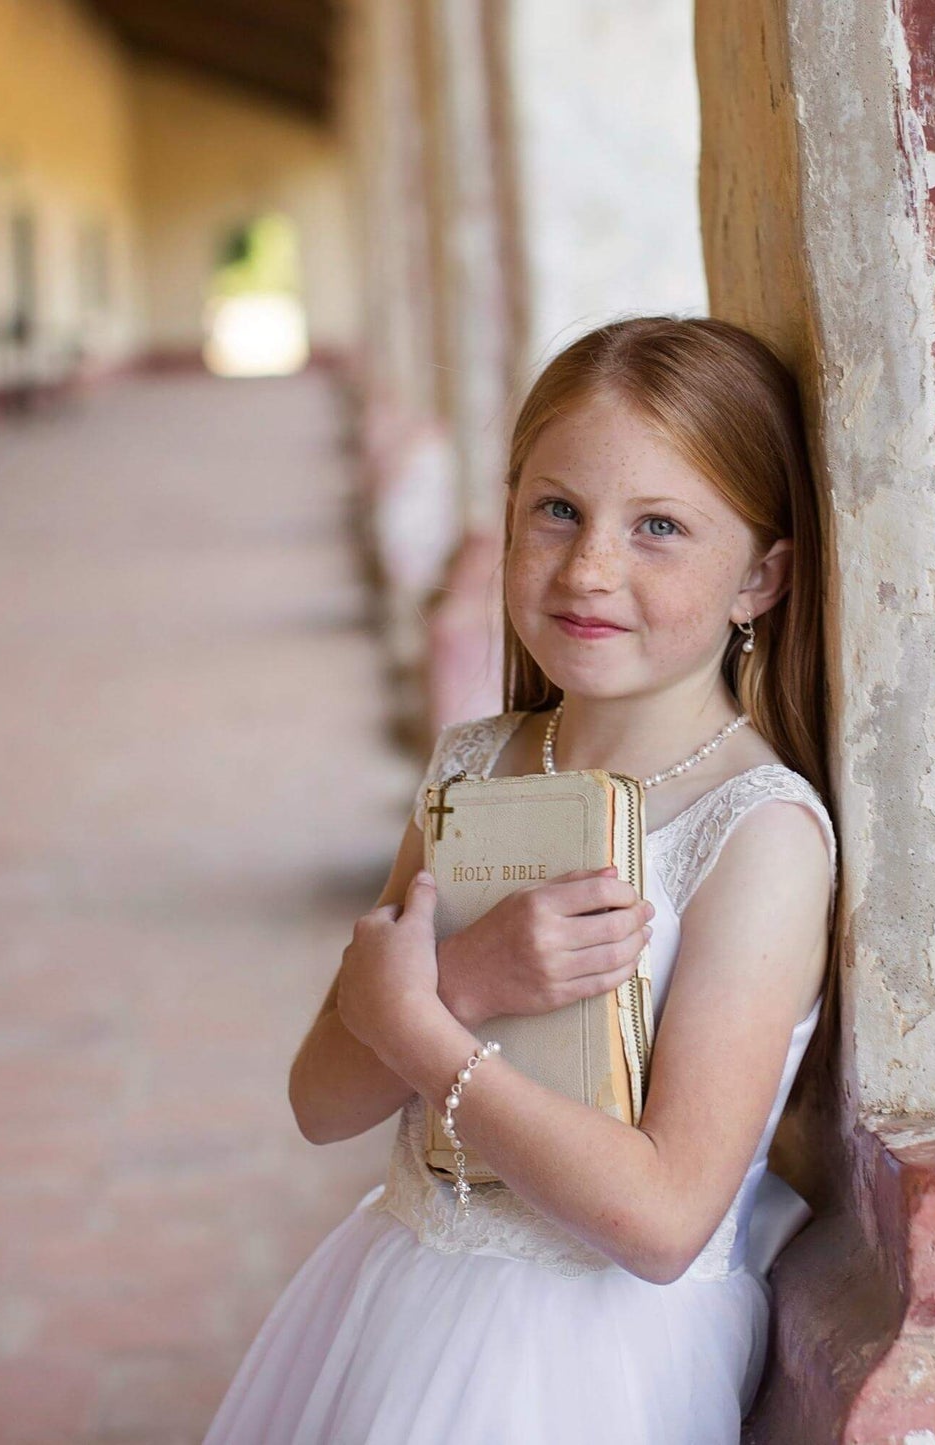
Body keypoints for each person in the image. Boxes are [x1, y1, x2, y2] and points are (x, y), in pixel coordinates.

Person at [202, 315, 839, 1443]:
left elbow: (657, 1222)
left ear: (761, 575)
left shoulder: (756, 832)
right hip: (396, 1296)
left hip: (581, 1363)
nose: (589, 566)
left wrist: (423, 1025)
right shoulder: (472, 766)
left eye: (658, 527)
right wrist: (462, 980)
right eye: (557, 510)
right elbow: (319, 1102)